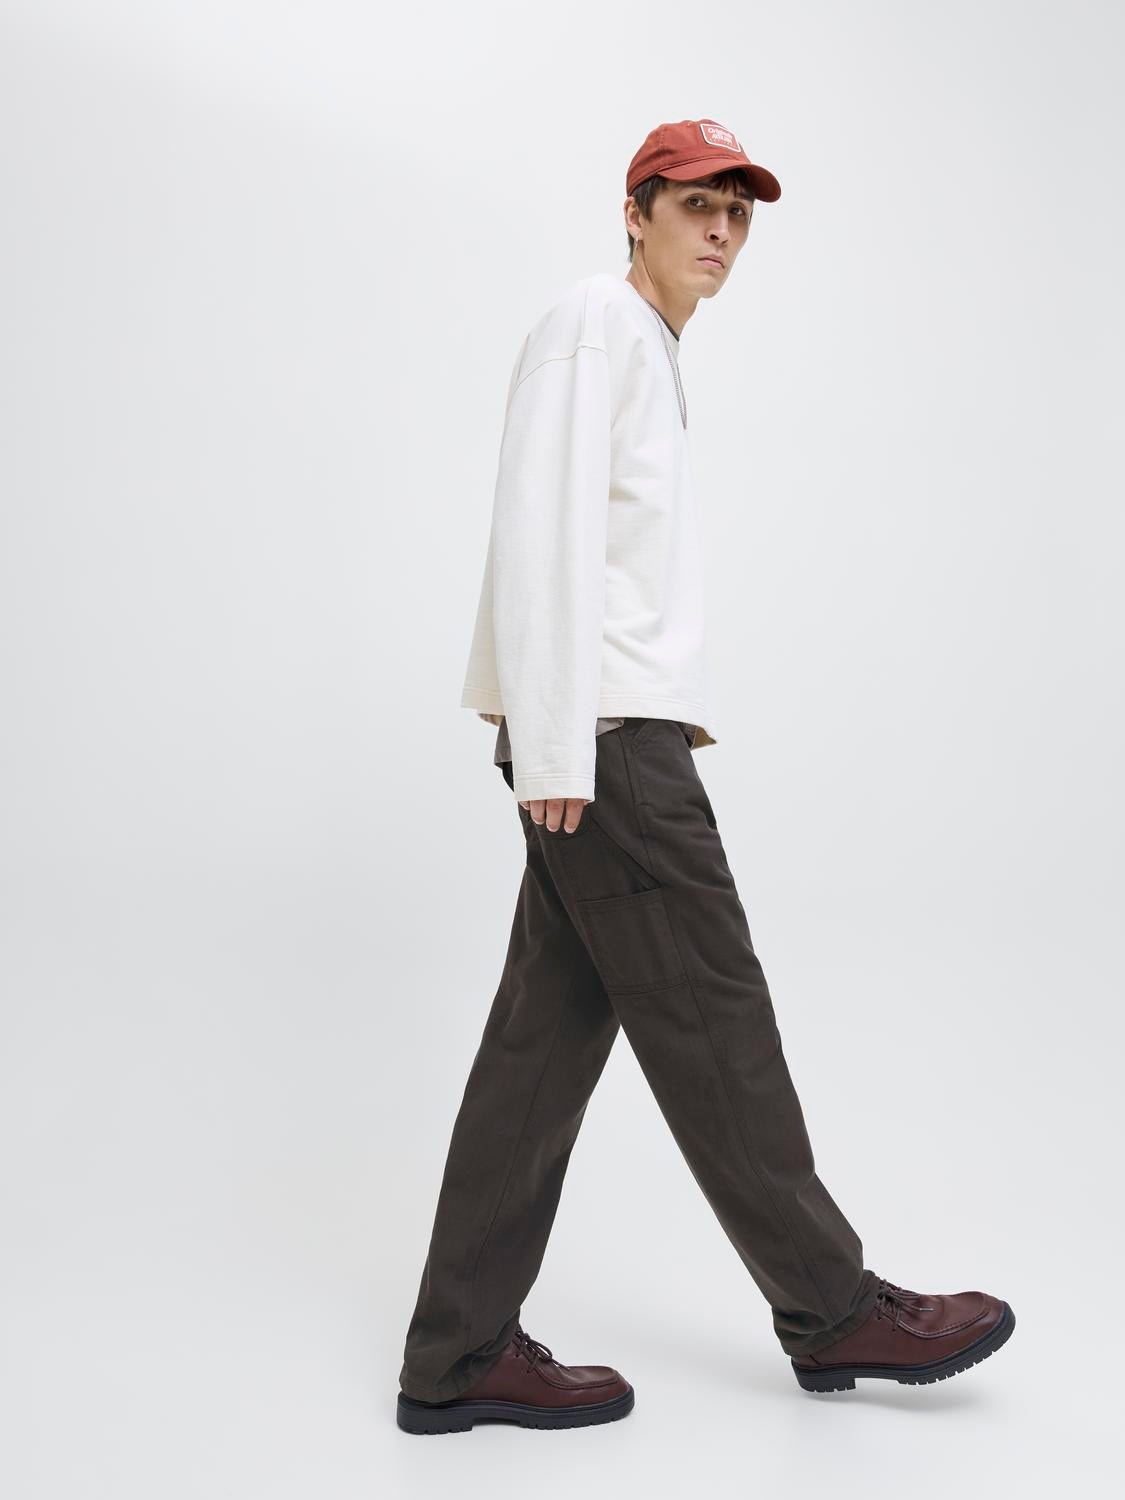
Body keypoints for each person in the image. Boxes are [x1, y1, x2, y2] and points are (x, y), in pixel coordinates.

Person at [396, 116, 1014, 1436]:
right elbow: (541, 531)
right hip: (605, 744)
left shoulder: (644, 344)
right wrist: (553, 740)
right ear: (636, 214)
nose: (722, 232)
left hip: (606, 734)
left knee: (541, 1043)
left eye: (738, 213)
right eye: (696, 206)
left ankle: (455, 1353)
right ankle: (830, 1308)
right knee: (714, 1011)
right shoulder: (595, 324)